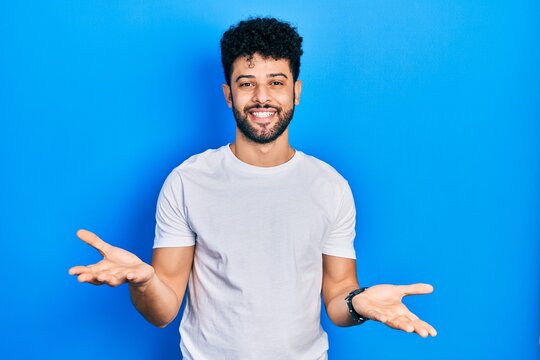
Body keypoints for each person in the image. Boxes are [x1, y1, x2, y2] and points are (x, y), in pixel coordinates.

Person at [69, 17, 437, 359]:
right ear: (229, 94)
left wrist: (360, 304)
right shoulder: (187, 181)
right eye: (247, 83)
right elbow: (162, 311)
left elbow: (339, 296)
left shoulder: (330, 187)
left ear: (296, 91)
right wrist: (146, 281)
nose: (262, 97)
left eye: (276, 82)